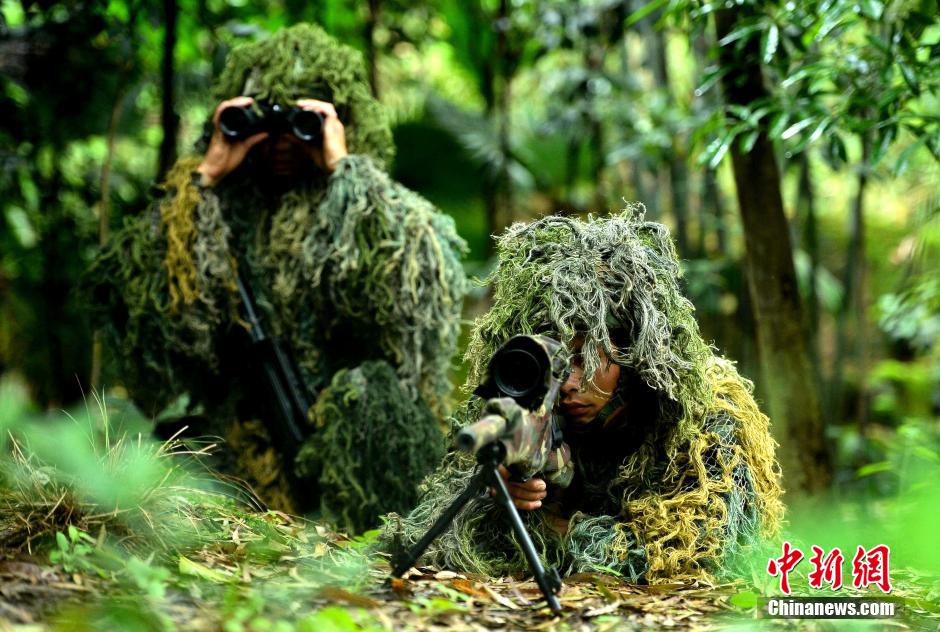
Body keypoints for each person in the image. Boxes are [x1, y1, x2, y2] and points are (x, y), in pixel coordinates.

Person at [87, 24, 466, 532]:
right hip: (246, 432)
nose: (283, 141)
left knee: (372, 402)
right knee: (162, 469)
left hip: (352, 440)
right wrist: (206, 176)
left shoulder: (374, 210)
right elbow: (137, 304)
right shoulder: (215, 210)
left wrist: (343, 169)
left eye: (301, 122)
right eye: (268, 121)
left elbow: (410, 300)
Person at [387, 209, 784, 583]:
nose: (567, 383)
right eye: (554, 362)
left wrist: (559, 528)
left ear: (632, 354)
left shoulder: (705, 415)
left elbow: (698, 550)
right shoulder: (526, 405)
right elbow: (441, 525)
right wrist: (502, 496)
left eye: (581, 359)